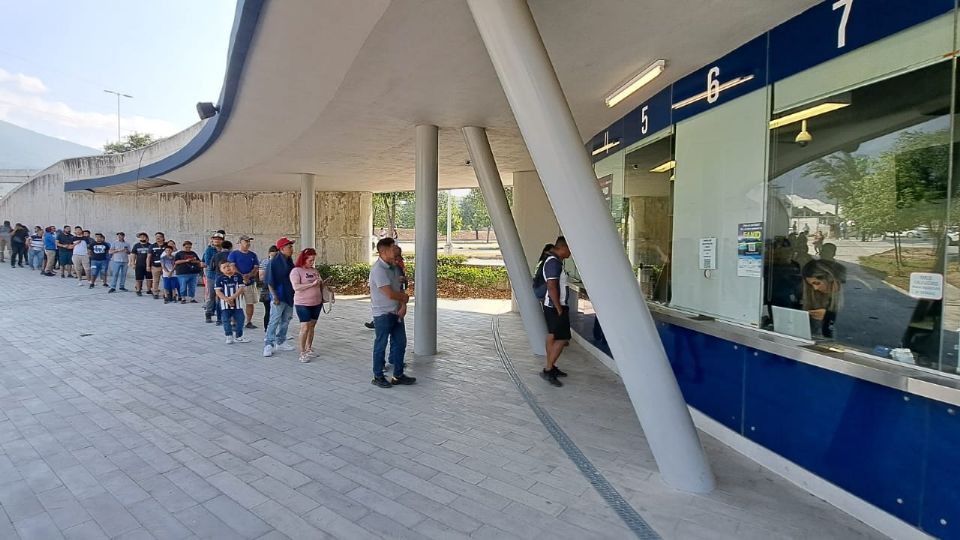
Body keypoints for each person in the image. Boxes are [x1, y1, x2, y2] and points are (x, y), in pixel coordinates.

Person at [369, 237, 415, 388]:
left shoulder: (394, 267)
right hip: (383, 314)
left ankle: (398, 375)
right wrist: (405, 298)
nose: (396, 250)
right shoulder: (378, 270)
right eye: (393, 247)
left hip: (396, 313)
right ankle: (378, 376)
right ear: (384, 251)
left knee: (400, 343)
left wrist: (403, 305)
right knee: (381, 344)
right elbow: (389, 293)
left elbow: (399, 288)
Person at [541, 236, 572, 387]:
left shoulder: (554, 260)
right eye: (569, 249)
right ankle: (548, 369)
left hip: (552, 306)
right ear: (562, 247)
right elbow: (552, 286)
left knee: (553, 336)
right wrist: (559, 308)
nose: (571, 252)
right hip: (555, 307)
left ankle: (551, 367)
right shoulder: (554, 263)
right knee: (562, 338)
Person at [290, 248, 326, 363]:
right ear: (304, 259)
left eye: (313, 260)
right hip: (302, 303)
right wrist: (311, 285)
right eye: (310, 260)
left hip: (316, 302)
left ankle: (309, 348)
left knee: (312, 326)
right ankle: (302, 352)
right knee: (305, 326)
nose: (312, 262)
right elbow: (296, 287)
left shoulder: (314, 270)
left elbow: (319, 283)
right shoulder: (296, 271)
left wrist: (322, 283)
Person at [263, 237, 297, 358]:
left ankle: (281, 341)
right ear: (282, 249)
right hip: (279, 296)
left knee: (286, 320)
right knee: (274, 320)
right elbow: (270, 281)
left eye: (291, 246)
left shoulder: (289, 261)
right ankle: (268, 344)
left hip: (289, 295)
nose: (292, 249)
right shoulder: (275, 262)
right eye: (289, 247)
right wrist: (274, 296)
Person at [364, 245, 407, 329]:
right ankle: (376, 321)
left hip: (395, 308)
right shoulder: (379, 269)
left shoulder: (398, 267)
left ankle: (377, 322)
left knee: (397, 339)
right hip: (384, 309)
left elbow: (402, 287)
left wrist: (403, 305)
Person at [801, 259, 844, 339]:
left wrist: (828, 316)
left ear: (830, 278)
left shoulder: (853, 293)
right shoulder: (819, 295)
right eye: (811, 285)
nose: (815, 288)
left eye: (817, 283)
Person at [228, 235, 260, 329]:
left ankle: (249, 321)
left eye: (249, 241)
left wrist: (249, 275)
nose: (248, 243)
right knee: (235, 302)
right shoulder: (234, 254)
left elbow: (256, 267)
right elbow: (232, 267)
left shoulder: (253, 255)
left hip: (250, 282)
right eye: (246, 241)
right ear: (240, 242)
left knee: (250, 302)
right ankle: (234, 322)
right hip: (237, 282)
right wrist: (242, 276)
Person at [216, 261, 251, 345]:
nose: (227, 268)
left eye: (228, 266)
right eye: (224, 267)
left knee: (240, 319)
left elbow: (241, 288)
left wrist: (232, 298)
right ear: (221, 270)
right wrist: (227, 299)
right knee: (226, 320)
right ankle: (229, 335)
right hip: (225, 304)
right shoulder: (219, 278)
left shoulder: (237, 276)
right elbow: (218, 291)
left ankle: (239, 336)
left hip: (237, 304)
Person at [203, 232, 225, 323]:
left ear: (222, 240)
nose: (216, 240)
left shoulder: (224, 250)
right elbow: (208, 262)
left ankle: (220, 316)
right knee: (211, 295)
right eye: (215, 239)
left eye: (219, 239)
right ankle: (208, 313)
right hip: (212, 275)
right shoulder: (209, 250)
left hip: (222, 275)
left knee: (221, 296)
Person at [259, 245, 278, 329]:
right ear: (269, 254)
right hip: (266, 289)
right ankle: (267, 329)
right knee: (268, 310)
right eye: (272, 255)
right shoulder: (265, 262)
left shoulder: (281, 263)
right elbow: (261, 277)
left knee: (278, 311)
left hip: (278, 288)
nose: (273, 258)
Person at [130, 232, 153, 297]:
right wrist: (133, 263)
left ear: (146, 237)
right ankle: (138, 290)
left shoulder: (150, 246)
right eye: (141, 237)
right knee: (138, 278)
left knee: (149, 278)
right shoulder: (136, 245)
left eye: (143, 236)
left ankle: (149, 290)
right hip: (139, 264)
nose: (142, 238)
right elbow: (133, 254)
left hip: (148, 265)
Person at [146, 232, 167, 299]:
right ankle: (155, 293)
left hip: (166, 267)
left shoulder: (167, 245)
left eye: (159, 237)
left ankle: (166, 293)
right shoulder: (152, 246)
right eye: (156, 237)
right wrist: (148, 266)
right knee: (155, 280)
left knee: (166, 280)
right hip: (155, 266)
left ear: (163, 238)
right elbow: (149, 257)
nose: (158, 238)